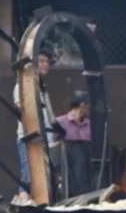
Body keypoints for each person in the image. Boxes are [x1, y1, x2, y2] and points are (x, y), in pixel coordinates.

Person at [14, 50, 55, 191]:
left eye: (47, 62)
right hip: (29, 138)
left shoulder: (43, 88)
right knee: (29, 176)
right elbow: (23, 110)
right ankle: (24, 203)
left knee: (46, 178)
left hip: (45, 140)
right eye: (41, 61)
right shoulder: (22, 86)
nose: (45, 64)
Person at [55, 90, 93, 196]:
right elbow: (54, 145)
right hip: (66, 167)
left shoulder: (90, 125)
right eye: (87, 105)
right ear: (82, 105)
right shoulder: (60, 122)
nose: (89, 108)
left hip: (85, 169)